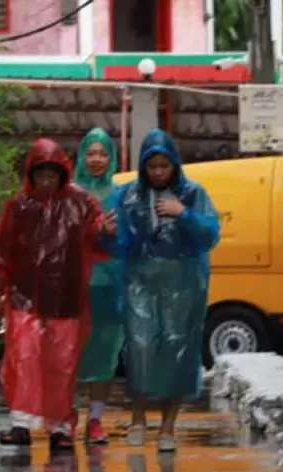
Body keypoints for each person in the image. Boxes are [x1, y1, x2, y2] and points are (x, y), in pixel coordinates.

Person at [0, 138, 105, 452]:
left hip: (65, 297)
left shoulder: (81, 203)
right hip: (25, 296)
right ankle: (21, 424)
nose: (47, 181)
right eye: (41, 174)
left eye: (52, 174)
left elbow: (99, 242)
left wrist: (105, 233)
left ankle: (60, 428)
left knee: (61, 364)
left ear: (61, 174)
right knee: (23, 359)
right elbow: (1, 250)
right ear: (32, 174)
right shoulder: (17, 207)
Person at [104, 129, 220, 452]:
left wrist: (184, 215)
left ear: (174, 165)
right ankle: (138, 418)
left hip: (183, 283)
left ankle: (168, 427)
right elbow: (116, 245)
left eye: (163, 165)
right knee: (139, 348)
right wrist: (106, 232)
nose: (157, 172)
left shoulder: (193, 194)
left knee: (178, 350)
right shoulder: (127, 196)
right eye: (151, 166)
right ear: (143, 166)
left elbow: (210, 234)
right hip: (139, 281)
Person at [72, 128, 126, 445]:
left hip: (109, 284)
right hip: (77, 284)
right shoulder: (71, 193)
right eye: (90, 153)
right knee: (72, 350)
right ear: (81, 156)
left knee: (105, 351)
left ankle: (95, 419)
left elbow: (129, 238)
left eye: (102, 154)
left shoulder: (120, 194)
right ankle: (68, 417)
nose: (96, 160)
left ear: (111, 158)